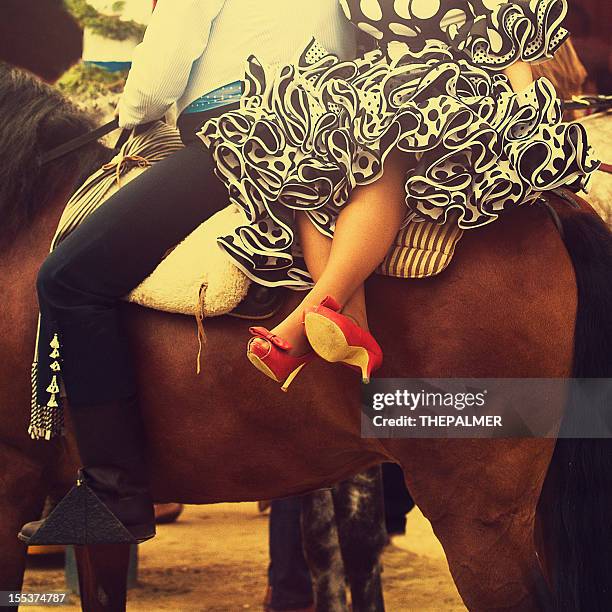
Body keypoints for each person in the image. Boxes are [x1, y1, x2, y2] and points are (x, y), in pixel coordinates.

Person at [18, 0, 356, 545]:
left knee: (67, 279)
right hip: (331, 137)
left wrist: (132, 115)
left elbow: (158, 80)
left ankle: (114, 492)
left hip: (236, 140)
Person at [197, 0, 600, 390]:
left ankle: (308, 317)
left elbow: (507, 32)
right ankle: (351, 320)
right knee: (307, 144)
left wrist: (530, 114)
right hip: (374, 83)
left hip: (452, 87)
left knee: (384, 135)